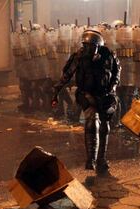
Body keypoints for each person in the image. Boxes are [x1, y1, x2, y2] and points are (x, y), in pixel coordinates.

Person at [52, 30, 121, 175]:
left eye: (91, 46)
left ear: (98, 46)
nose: (88, 49)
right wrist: (56, 92)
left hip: (105, 95)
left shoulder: (108, 55)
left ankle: (101, 159)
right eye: (86, 45)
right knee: (91, 121)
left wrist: (113, 87)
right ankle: (91, 159)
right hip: (87, 94)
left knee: (104, 127)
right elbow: (66, 75)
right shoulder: (79, 57)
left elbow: (116, 73)